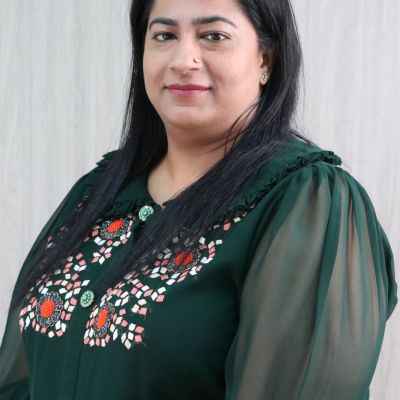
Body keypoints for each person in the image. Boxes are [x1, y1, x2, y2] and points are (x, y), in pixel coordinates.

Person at [0, 0, 397, 399]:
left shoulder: (306, 204)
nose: (182, 60)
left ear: (265, 58)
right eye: (164, 36)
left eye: (213, 36)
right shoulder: (98, 192)